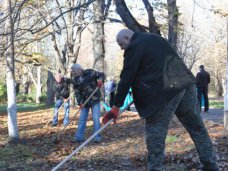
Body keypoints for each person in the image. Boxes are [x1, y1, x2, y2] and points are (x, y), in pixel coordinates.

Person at [102, 29, 218, 171]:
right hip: (185, 84)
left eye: (121, 44)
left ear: (127, 38)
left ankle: (155, 168)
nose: (121, 48)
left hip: (163, 93)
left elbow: (126, 77)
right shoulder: (156, 38)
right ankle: (211, 165)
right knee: (197, 128)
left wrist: (116, 106)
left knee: (155, 135)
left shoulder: (135, 46)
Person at [71, 64, 105, 143]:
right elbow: (77, 92)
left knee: (96, 118)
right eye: (72, 71)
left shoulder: (90, 72)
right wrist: (80, 103)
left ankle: (97, 137)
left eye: (74, 71)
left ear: (79, 69)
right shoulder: (75, 80)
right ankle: (79, 137)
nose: (73, 73)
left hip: (95, 99)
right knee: (82, 119)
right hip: (84, 102)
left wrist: (100, 80)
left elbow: (101, 74)